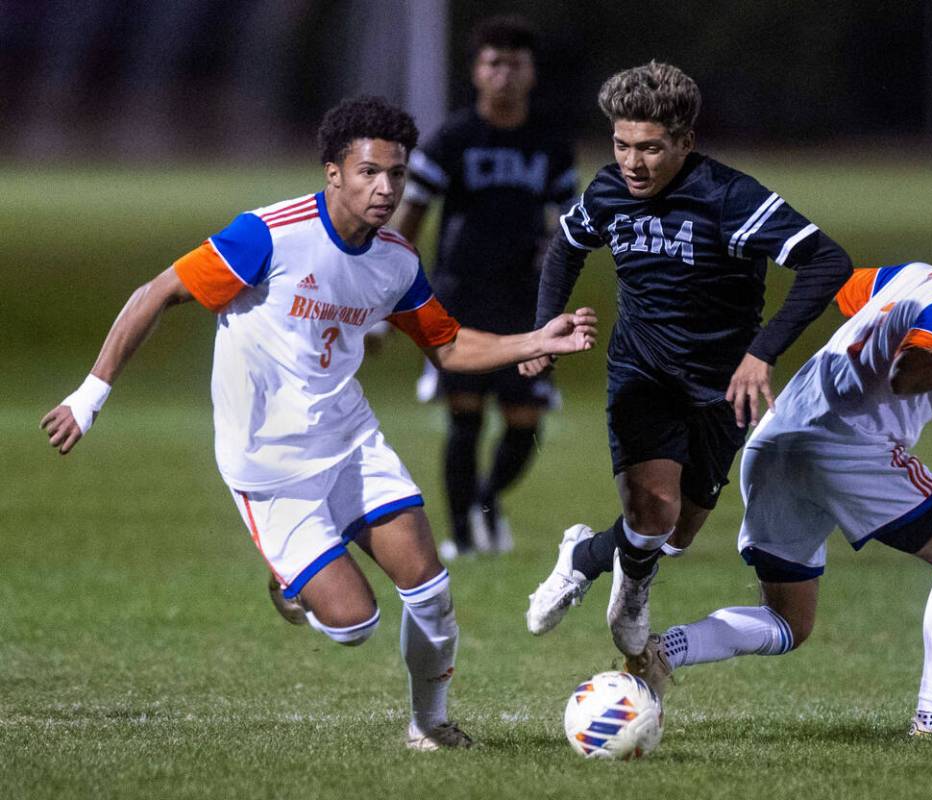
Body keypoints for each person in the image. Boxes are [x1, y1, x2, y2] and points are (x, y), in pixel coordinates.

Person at [40, 96, 597, 751]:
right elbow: (155, 293)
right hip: (268, 468)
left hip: (350, 442)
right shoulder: (269, 235)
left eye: (396, 173)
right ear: (333, 172)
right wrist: (90, 394)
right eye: (368, 172)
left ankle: (429, 723)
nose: (385, 187)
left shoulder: (394, 261)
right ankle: (289, 581)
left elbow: (446, 347)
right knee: (353, 624)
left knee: (431, 589)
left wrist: (535, 340)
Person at [623, 206, 932, 740]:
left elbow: (846, 291)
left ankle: (663, 650)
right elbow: (910, 374)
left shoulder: (914, 276)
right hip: (845, 445)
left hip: (778, 438)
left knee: (789, 621)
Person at [522, 61, 853, 657]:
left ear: (685, 142)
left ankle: (586, 554)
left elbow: (826, 263)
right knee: (654, 509)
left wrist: (761, 353)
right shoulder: (607, 191)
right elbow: (566, 248)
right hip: (641, 371)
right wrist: (547, 326)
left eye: (650, 148)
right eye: (622, 145)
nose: (632, 163)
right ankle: (633, 579)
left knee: (675, 532)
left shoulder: (728, 197)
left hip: (724, 388)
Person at [389, 15, 578, 560]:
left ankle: (486, 503)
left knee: (525, 422)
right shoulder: (453, 139)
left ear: (531, 72)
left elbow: (570, 224)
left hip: (527, 301)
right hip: (461, 297)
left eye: (515, 63)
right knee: (464, 416)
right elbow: (413, 214)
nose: (504, 74)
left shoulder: (550, 144)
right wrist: (394, 287)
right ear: (476, 72)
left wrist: (557, 272)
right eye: (494, 63)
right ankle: (464, 537)